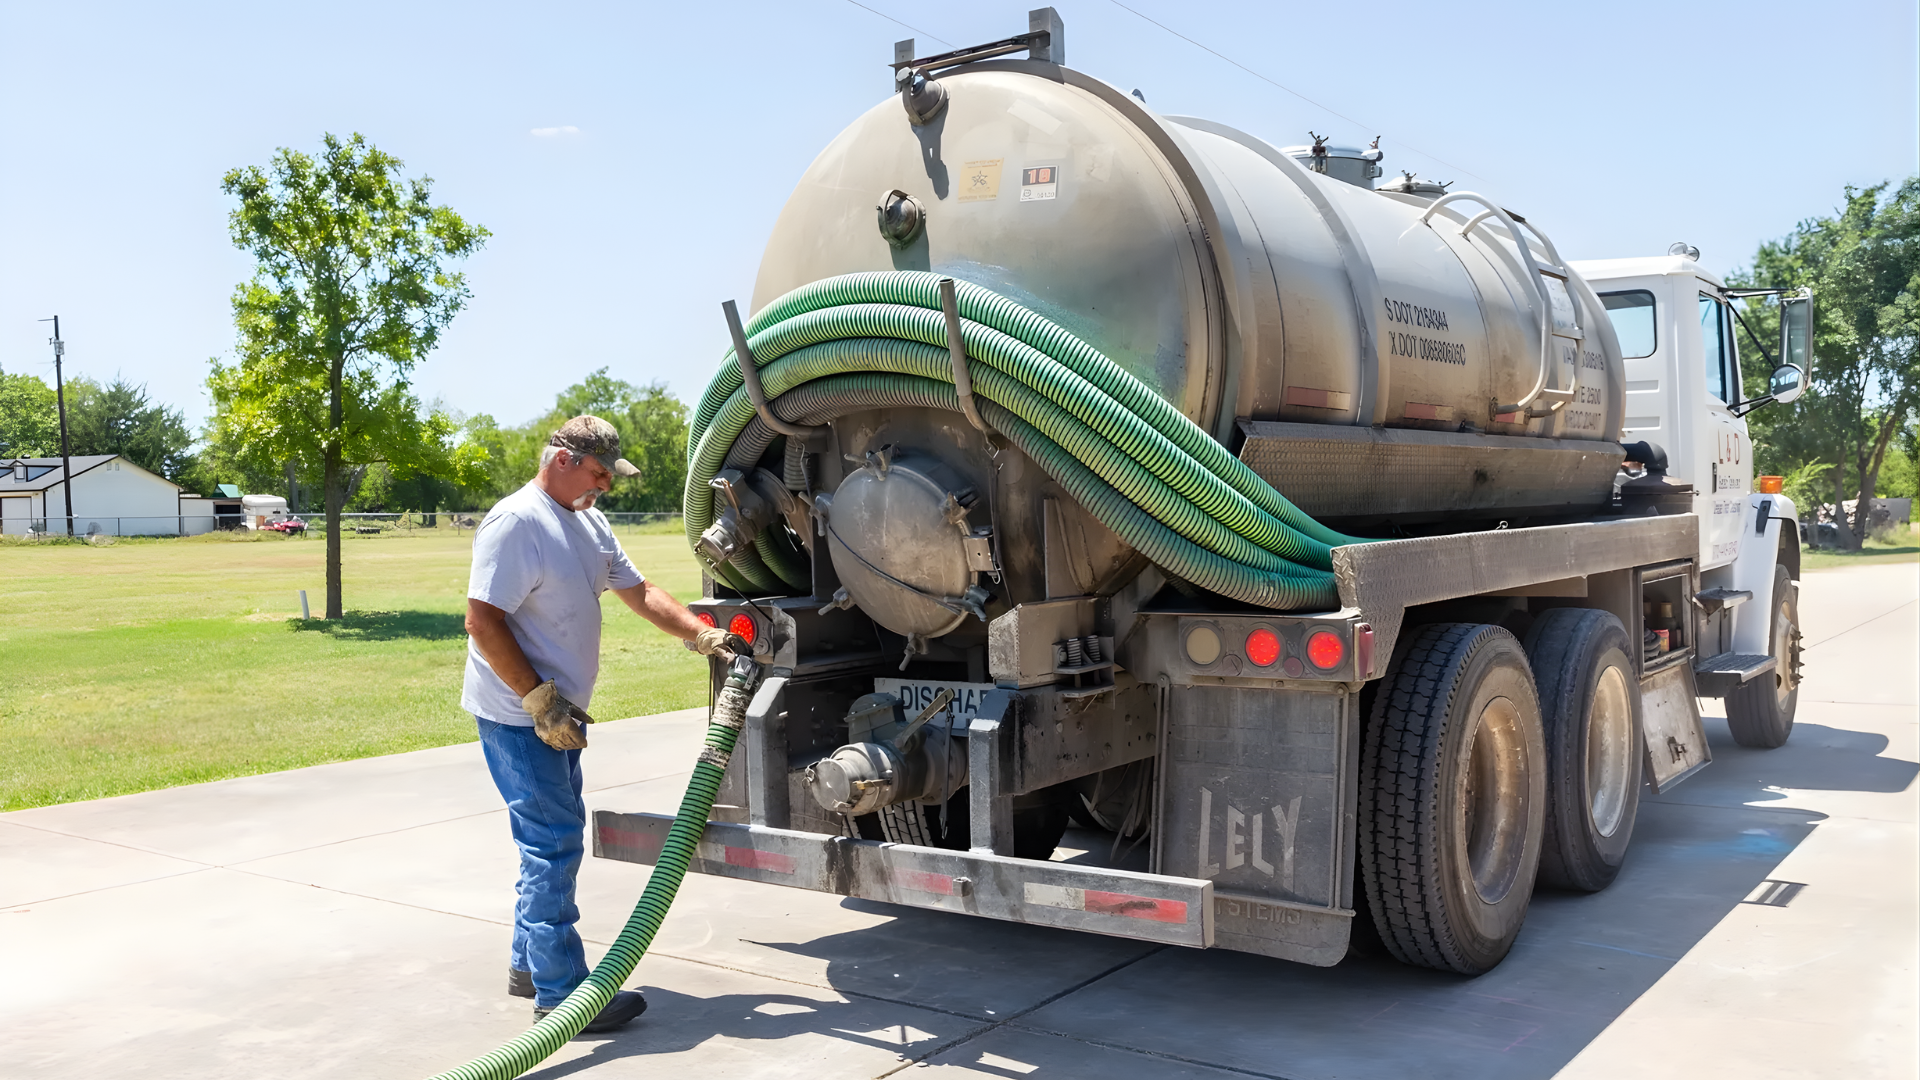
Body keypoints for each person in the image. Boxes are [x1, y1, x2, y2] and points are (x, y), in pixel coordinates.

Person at [462, 415, 739, 1032]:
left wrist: (701, 634)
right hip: (520, 716)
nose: (606, 486)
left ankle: (529, 967)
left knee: (548, 838)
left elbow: (639, 592)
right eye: (598, 474)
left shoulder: (587, 521)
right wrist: (538, 700)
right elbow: (482, 622)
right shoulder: (517, 523)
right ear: (560, 459)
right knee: (553, 843)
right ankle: (562, 995)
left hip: (560, 715)